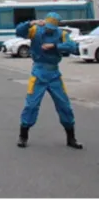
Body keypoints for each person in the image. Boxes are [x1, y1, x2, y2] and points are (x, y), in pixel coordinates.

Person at [15, 13, 83, 149]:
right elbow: (19, 32)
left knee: (64, 105)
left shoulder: (61, 34)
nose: (49, 30)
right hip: (38, 73)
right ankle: (23, 135)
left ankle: (71, 137)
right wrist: (31, 22)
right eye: (47, 27)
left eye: (52, 28)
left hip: (54, 74)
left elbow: (73, 47)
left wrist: (55, 46)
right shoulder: (35, 30)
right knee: (31, 105)